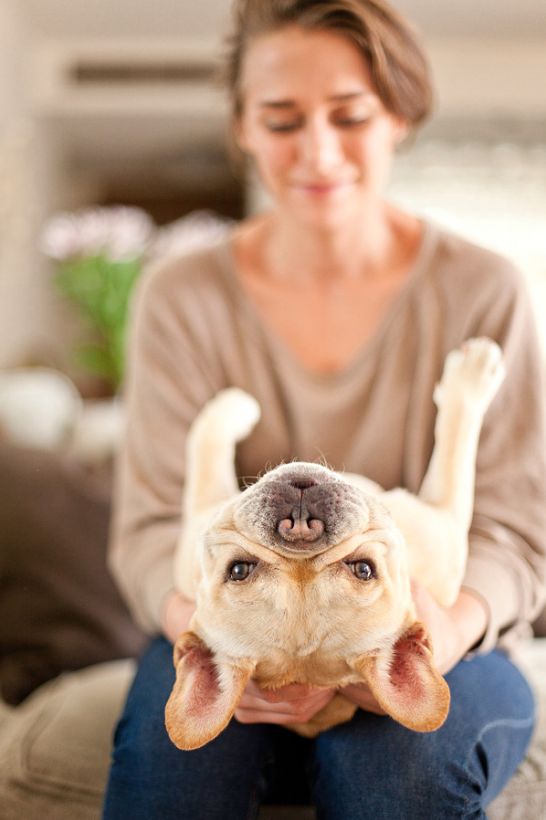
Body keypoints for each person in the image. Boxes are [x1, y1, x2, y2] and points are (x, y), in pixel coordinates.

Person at [102, 1, 546, 817]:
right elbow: (149, 527)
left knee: (393, 776)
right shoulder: (181, 295)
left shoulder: (486, 290)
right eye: (280, 119)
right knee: (176, 772)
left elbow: (518, 532)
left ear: (401, 116)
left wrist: (444, 632)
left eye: (350, 116)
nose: (317, 152)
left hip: (438, 638)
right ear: (240, 125)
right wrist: (205, 635)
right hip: (238, 638)